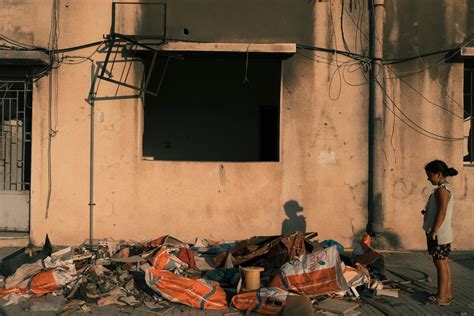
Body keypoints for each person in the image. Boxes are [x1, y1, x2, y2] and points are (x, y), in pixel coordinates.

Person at [422, 160, 458, 306]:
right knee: (444, 263)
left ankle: (442, 297)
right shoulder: (445, 188)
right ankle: (447, 294)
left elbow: (442, 212)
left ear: (439, 174)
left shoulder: (442, 190)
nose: (428, 178)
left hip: (439, 235)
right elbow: (439, 210)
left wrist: (433, 232)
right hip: (443, 234)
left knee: (440, 264)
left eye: (430, 175)